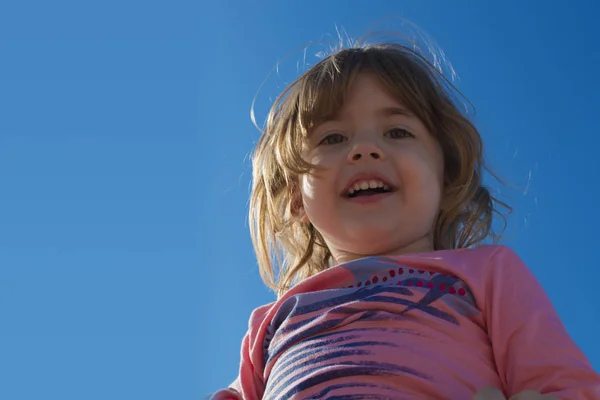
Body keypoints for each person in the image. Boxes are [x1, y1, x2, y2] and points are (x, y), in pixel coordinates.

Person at [211, 39, 600, 399]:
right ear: (295, 196)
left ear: (445, 176)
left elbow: (561, 383)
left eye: (397, 131)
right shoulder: (272, 322)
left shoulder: (485, 273)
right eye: (332, 138)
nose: (364, 149)